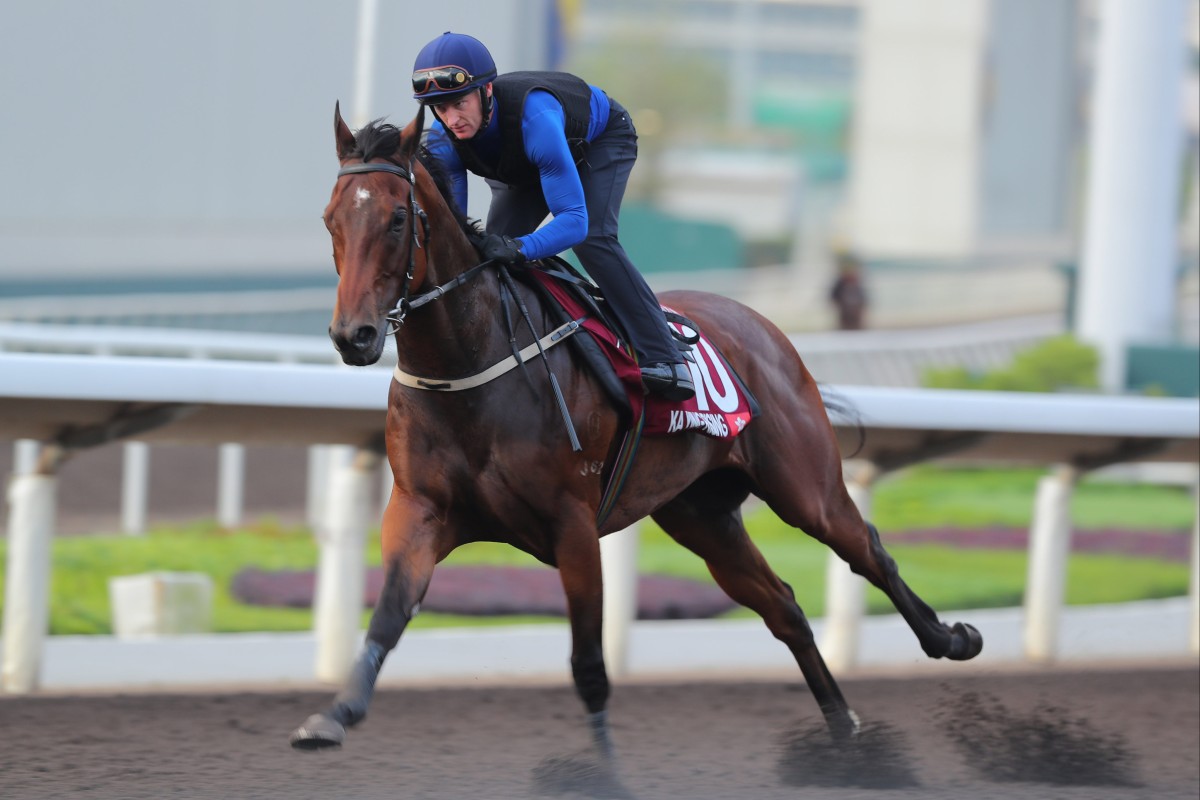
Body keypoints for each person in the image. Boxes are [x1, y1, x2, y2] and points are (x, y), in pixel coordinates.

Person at [411, 31, 695, 401]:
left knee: (594, 240)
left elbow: (574, 221)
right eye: (441, 109)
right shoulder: (441, 138)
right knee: (485, 260)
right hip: (526, 165)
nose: (452, 119)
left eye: (460, 103)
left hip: (599, 141)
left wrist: (521, 247)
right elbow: (454, 232)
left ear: (487, 92)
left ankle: (664, 355)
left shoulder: (537, 120)